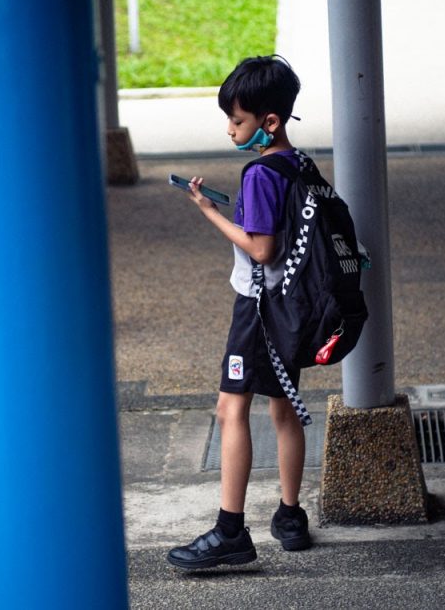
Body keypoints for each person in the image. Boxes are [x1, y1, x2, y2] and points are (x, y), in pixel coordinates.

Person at [167, 55, 312, 570]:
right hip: (291, 306)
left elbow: (261, 249)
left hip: (258, 308)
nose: (230, 129)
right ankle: (290, 516)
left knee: (231, 410)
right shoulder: (300, 164)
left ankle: (230, 531)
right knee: (283, 408)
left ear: (269, 121)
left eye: (237, 120)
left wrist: (209, 212)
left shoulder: (259, 173)